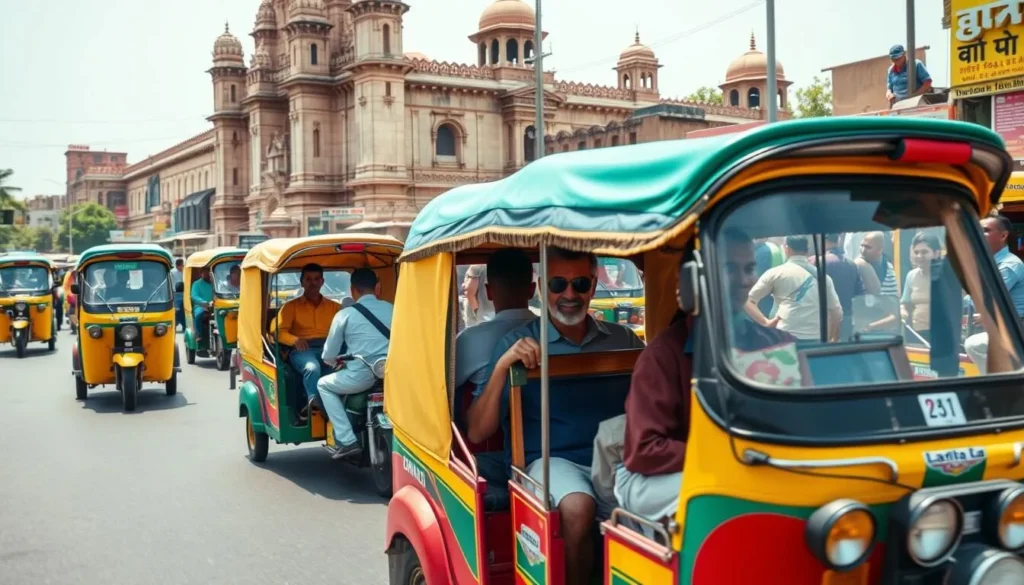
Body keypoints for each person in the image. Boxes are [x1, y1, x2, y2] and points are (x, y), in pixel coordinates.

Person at [467, 247, 644, 585]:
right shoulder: (516, 342)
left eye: (579, 284)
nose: (569, 294)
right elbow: (477, 431)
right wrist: (504, 365)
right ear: (542, 287)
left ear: (593, 286)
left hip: (616, 457)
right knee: (577, 507)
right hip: (551, 460)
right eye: (558, 284)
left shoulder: (624, 339)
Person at [614, 229, 795, 522]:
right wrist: (730, 457)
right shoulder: (662, 356)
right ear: (693, 281)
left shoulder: (777, 343)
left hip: (749, 466)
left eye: (749, 269)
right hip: (657, 477)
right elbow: (645, 450)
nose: (744, 280)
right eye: (728, 269)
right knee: (732, 490)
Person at [317, 268, 393, 459]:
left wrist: (334, 361)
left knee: (323, 385)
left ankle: (348, 440)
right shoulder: (393, 308)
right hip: (394, 373)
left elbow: (328, 354)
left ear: (352, 290)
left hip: (361, 377)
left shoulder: (345, 314)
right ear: (377, 288)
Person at [271, 263, 341, 419]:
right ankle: (313, 403)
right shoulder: (290, 307)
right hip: (303, 349)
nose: (313, 283)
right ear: (302, 282)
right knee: (312, 368)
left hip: (329, 349)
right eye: (308, 279)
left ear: (322, 282)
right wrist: (294, 340)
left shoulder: (335, 307)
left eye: (316, 279)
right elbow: (278, 332)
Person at [746, 235, 843, 340]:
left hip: (785, 339)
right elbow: (836, 313)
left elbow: (748, 301)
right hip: (815, 339)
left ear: (786, 249)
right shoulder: (823, 277)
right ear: (806, 251)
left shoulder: (775, 273)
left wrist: (765, 322)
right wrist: (831, 338)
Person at [965, 215, 1024, 372]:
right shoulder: (988, 263)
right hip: (1001, 326)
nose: (978, 234)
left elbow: (985, 298)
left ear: (1003, 235)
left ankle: (998, 385)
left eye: (985, 230)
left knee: (973, 345)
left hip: (1017, 327)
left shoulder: (1010, 265)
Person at [811, 233, 865, 341]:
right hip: (847, 318)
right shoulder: (851, 264)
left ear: (824, 241)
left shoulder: (816, 261)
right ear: (838, 241)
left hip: (824, 318)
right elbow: (860, 293)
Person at [901, 232, 941, 343]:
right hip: (917, 334)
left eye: (924, 252)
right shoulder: (911, 276)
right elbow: (905, 303)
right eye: (916, 252)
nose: (919, 256)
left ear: (936, 253)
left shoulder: (949, 275)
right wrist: (902, 311)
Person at [190, 267, 214, 342]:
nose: (206, 275)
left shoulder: (216, 283)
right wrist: (204, 303)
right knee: (199, 315)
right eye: (204, 273)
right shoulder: (196, 284)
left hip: (215, 305)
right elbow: (194, 296)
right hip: (201, 306)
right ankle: (198, 334)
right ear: (201, 274)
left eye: (208, 273)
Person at [171, 258, 185, 331]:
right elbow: (172, 283)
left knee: (184, 309)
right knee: (176, 310)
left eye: (182, 265)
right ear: (177, 266)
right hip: (176, 293)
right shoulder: (172, 272)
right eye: (180, 266)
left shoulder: (185, 271)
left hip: (184, 293)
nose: (182, 267)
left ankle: (184, 325)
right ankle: (174, 325)